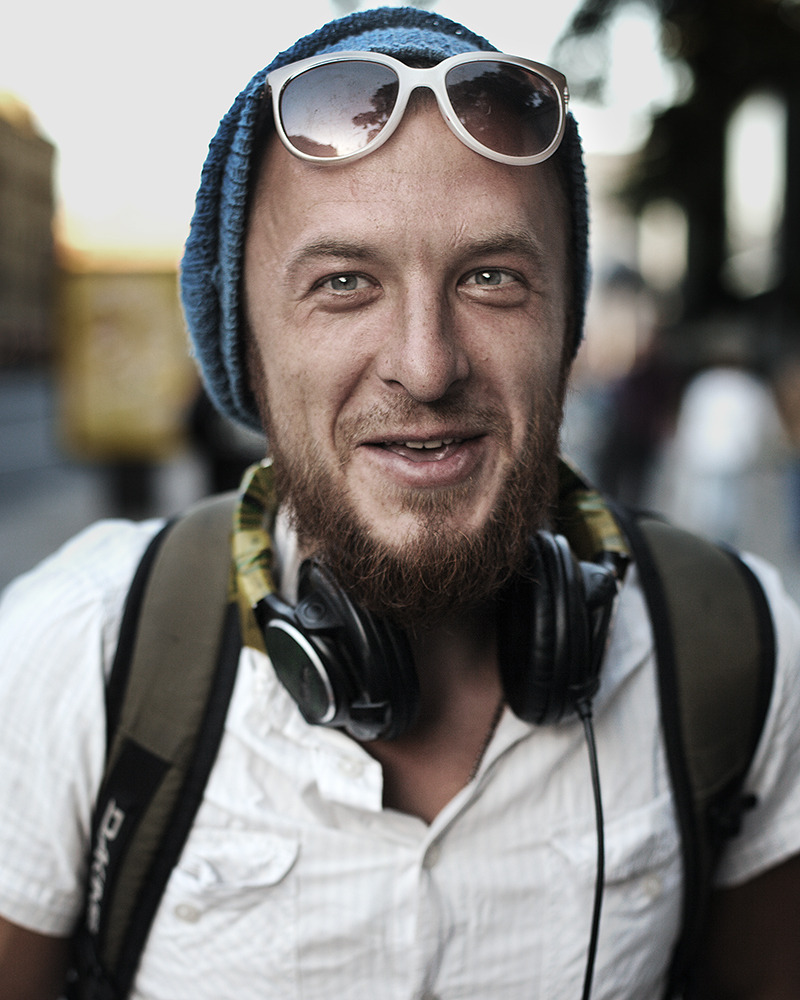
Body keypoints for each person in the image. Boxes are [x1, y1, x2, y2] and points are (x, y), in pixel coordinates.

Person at [1, 7, 799, 999]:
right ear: (244, 344)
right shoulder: (69, 656)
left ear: (566, 329)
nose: (424, 365)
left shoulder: (742, 650)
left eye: (492, 278)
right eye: (342, 282)